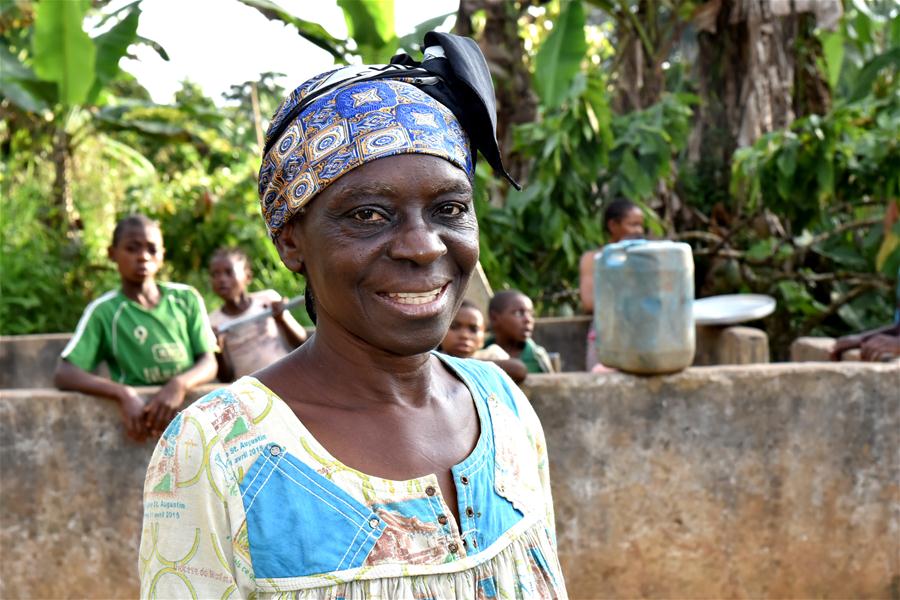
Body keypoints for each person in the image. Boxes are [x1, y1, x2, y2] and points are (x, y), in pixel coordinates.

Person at [139, 32, 566, 599]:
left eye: (450, 208)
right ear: (291, 242)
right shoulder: (220, 448)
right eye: (368, 214)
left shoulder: (505, 406)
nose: (423, 247)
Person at [54, 214, 217, 442]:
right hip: (141, 422)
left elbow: (209, 361)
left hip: (193, 420)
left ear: (162, 255)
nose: (143, 257)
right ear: (112, 254)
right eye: (132, 248)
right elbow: (65, 374)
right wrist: (122, 393)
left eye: (152, 249)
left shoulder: (185, 299)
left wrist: (179, 385)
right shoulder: (105, 311)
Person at [208, 246, 307, 381]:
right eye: (215, 274)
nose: (221, 279)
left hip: (287, 377)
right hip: (251, 392)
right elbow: (226, 378)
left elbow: (301, 342)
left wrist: (281, 319)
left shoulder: (268, 300)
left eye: (228, 272)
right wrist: (218, 349)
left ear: (248, 277)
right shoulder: (213, 322)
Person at [578, 199, 646, 369]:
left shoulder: (647, 258)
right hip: (607, 332)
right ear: (613, 225)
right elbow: (589, 302)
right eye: (633, 224)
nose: (639, 230)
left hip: (642, 332)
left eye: (640, 225)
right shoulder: (594, 259)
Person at [440, 300, 528, 383]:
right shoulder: (431, 358)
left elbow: (519, 370)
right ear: (439, 331)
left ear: (483, 338)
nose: (464, 335)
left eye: (473, 329)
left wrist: (463, 363)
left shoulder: (492, 355)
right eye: (454, 327)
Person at [485, 290, 557, 374]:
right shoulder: (480, 352)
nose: (528, 319)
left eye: (531, 314)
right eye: (519, 313)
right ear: (494, 318)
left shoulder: (537, 358)